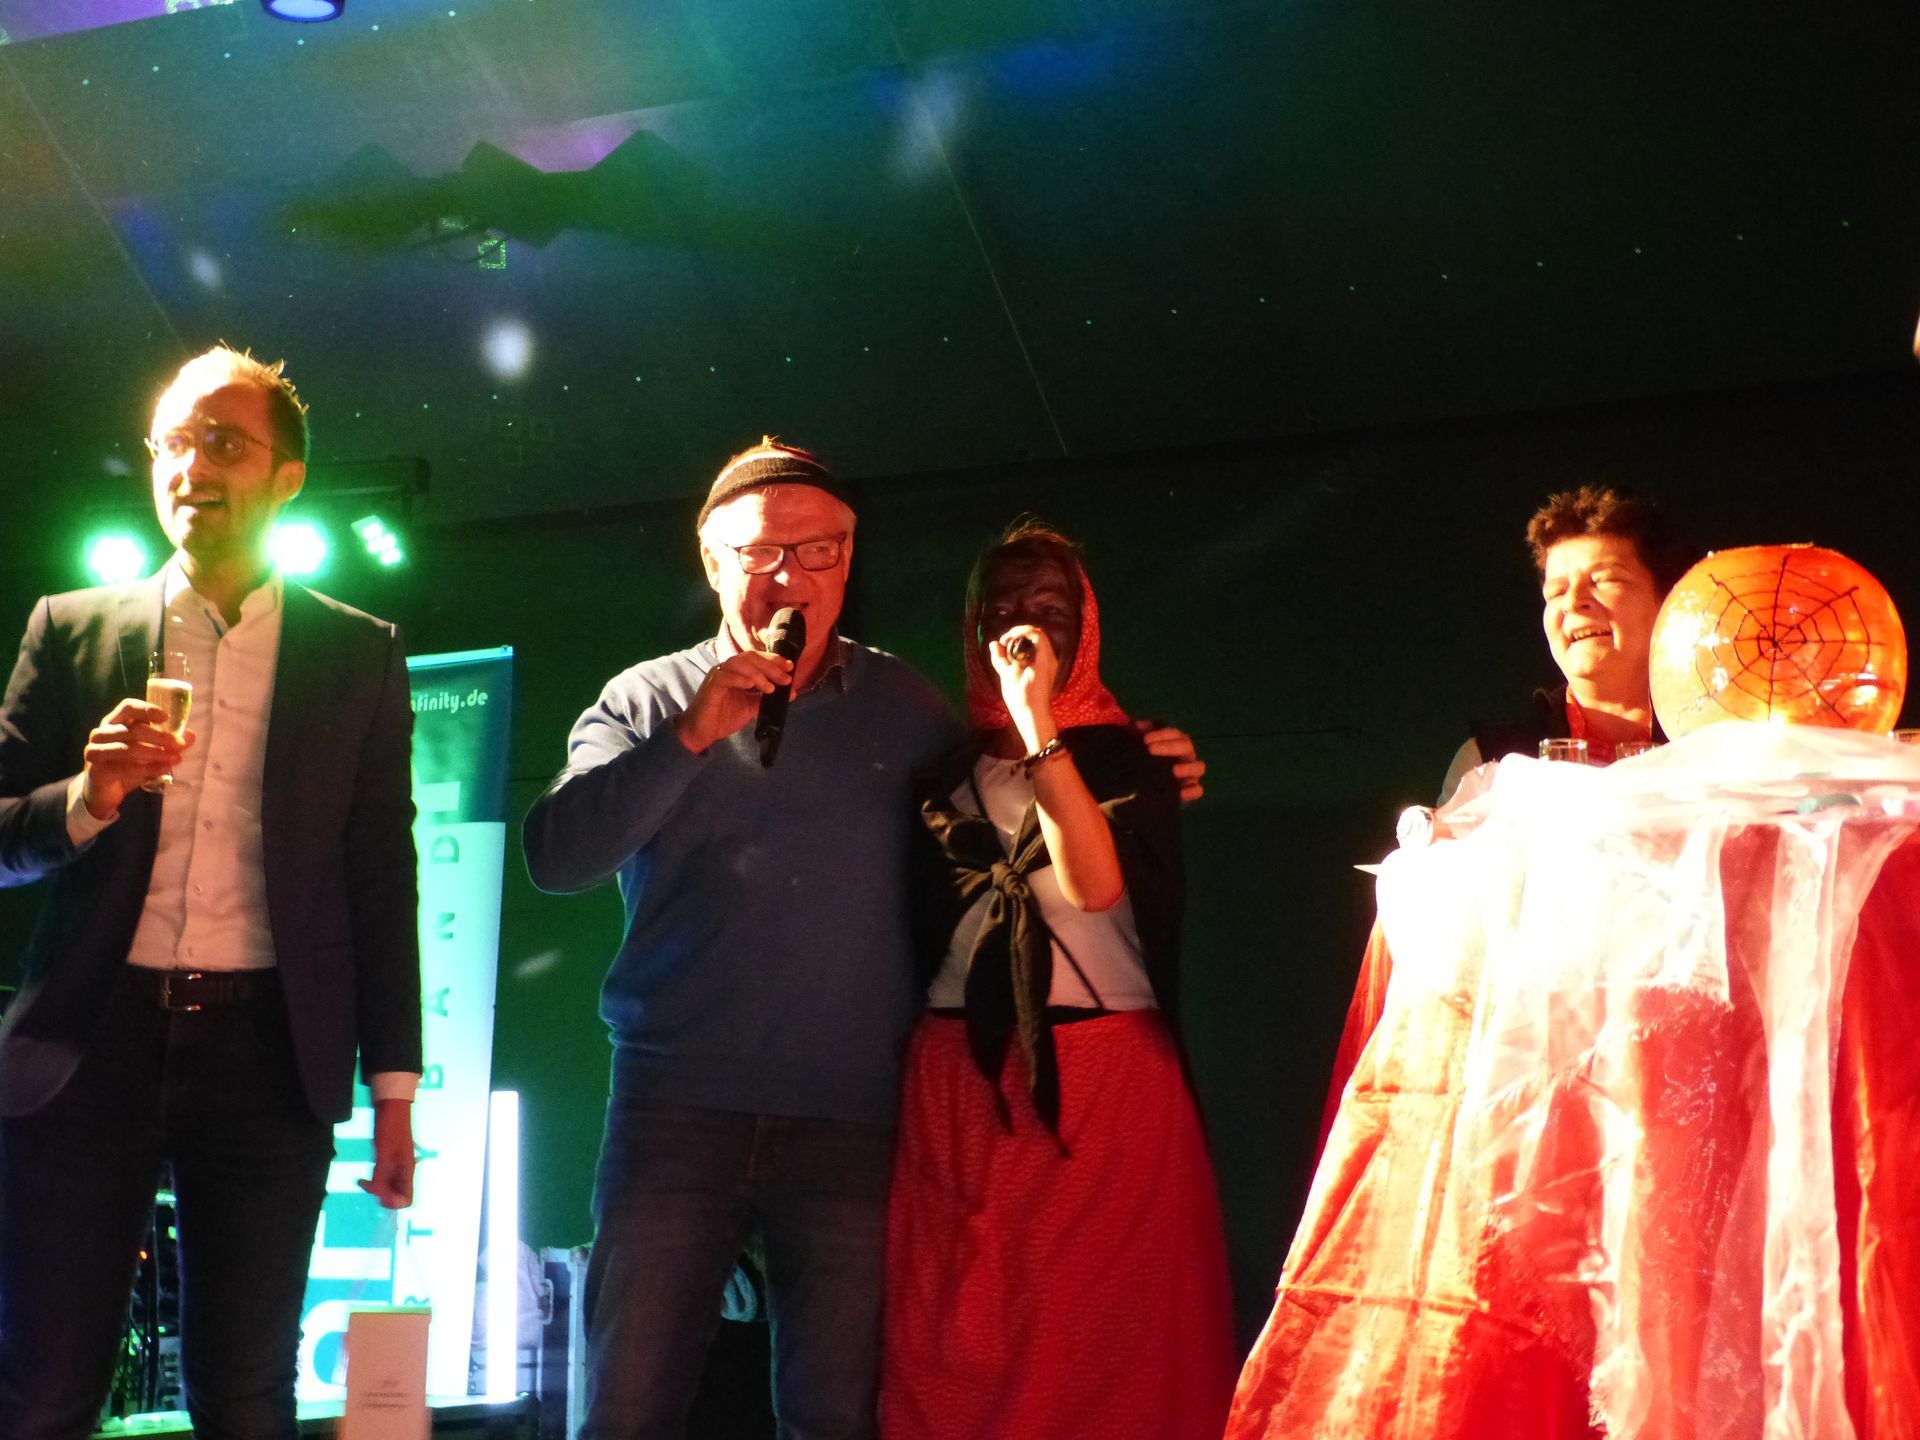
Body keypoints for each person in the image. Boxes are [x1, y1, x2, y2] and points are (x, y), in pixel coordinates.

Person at [522, 443, 1204, 1439]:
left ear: (849, 562)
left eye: (820, 551)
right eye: (762, 553)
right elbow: (557, 855)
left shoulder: (903, 706)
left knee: (838, 1413)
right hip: (676, 1110)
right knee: (629, 1406)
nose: (791, 577)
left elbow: (1013, 783)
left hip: (854, 1118)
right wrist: (690, 736)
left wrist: (1140, 759)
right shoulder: (649, 696)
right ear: (711, 560)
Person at [0, 346, 422, 1440]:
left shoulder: (359, 655)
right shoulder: (70, 627)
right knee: (43, 1392)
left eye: (223, 443)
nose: (191, 467)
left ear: (287, 478)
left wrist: (394, 1091)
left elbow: (381, 875)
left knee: (244, 1394)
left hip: (267, 1052)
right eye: (174, 443)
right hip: (89, 1039)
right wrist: (86, 797)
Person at [878, 522, 1235, 1440]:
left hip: (1105, 1086)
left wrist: (1040, 725)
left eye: (1051, 607)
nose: (1025, 626)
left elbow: (1093, 885)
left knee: (1101, 1354)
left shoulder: (1133, 761)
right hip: (958, 1082)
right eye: (1002, 608)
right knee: (954, 1344)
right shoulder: (938, 778)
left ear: (1087, 625)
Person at [1439, 484, 1695, 800]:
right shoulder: (1489, 763)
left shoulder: (1724, 745)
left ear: (1668, 600)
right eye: (1557, 591)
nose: (1573, 602)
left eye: (1603, 580)